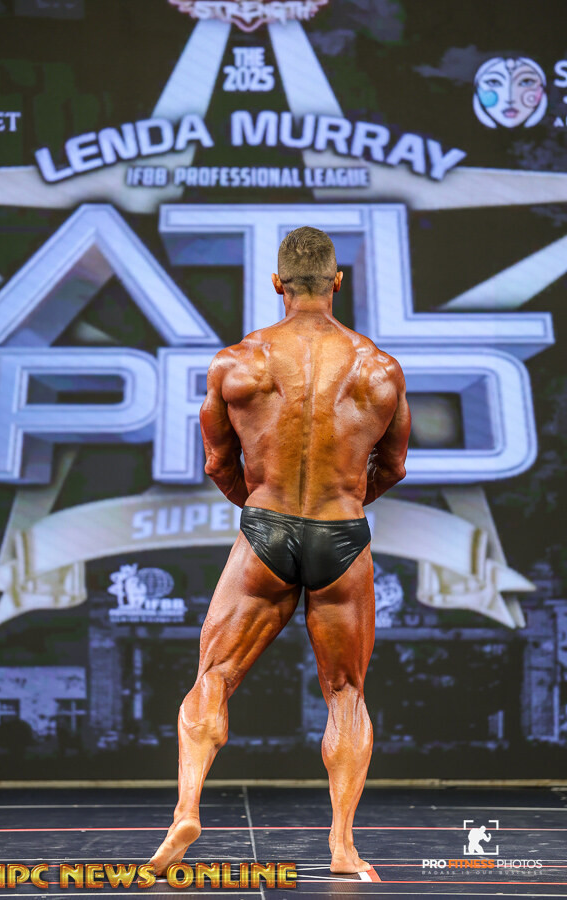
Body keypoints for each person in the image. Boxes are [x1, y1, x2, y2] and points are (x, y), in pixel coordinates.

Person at [149, 226, 411, 875]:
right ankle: (342, 846)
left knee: (213, 678)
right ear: (337, 282)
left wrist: (263, 511)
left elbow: (218, 462)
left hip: (265, 528)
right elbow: (394, 466)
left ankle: (186, 809)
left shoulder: (239, 363)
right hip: (342, 534)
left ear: (277, 284)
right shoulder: (378, 368)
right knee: (346, 692)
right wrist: (343, 502)